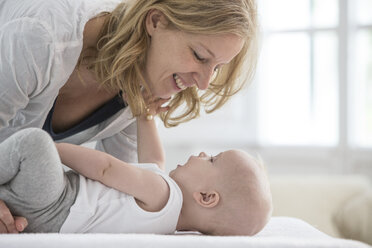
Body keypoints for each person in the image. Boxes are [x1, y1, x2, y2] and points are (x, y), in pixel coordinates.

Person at [0, 0, 259, 232]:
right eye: (200, 56)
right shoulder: (40, 36)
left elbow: (115, 177)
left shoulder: (136, 97)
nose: (203, 84)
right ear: (155, 21)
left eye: (216, 68)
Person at [0, 98, 272, 235]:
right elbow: (153, 163)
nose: (202, 153)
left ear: (206, 197)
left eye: (212, 159)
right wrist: (146, 115)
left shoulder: (162, 193)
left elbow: (105, 168)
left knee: (35, 143)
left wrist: (54, 149)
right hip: (51, 219)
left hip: (58, 204)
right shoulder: (166, 217)